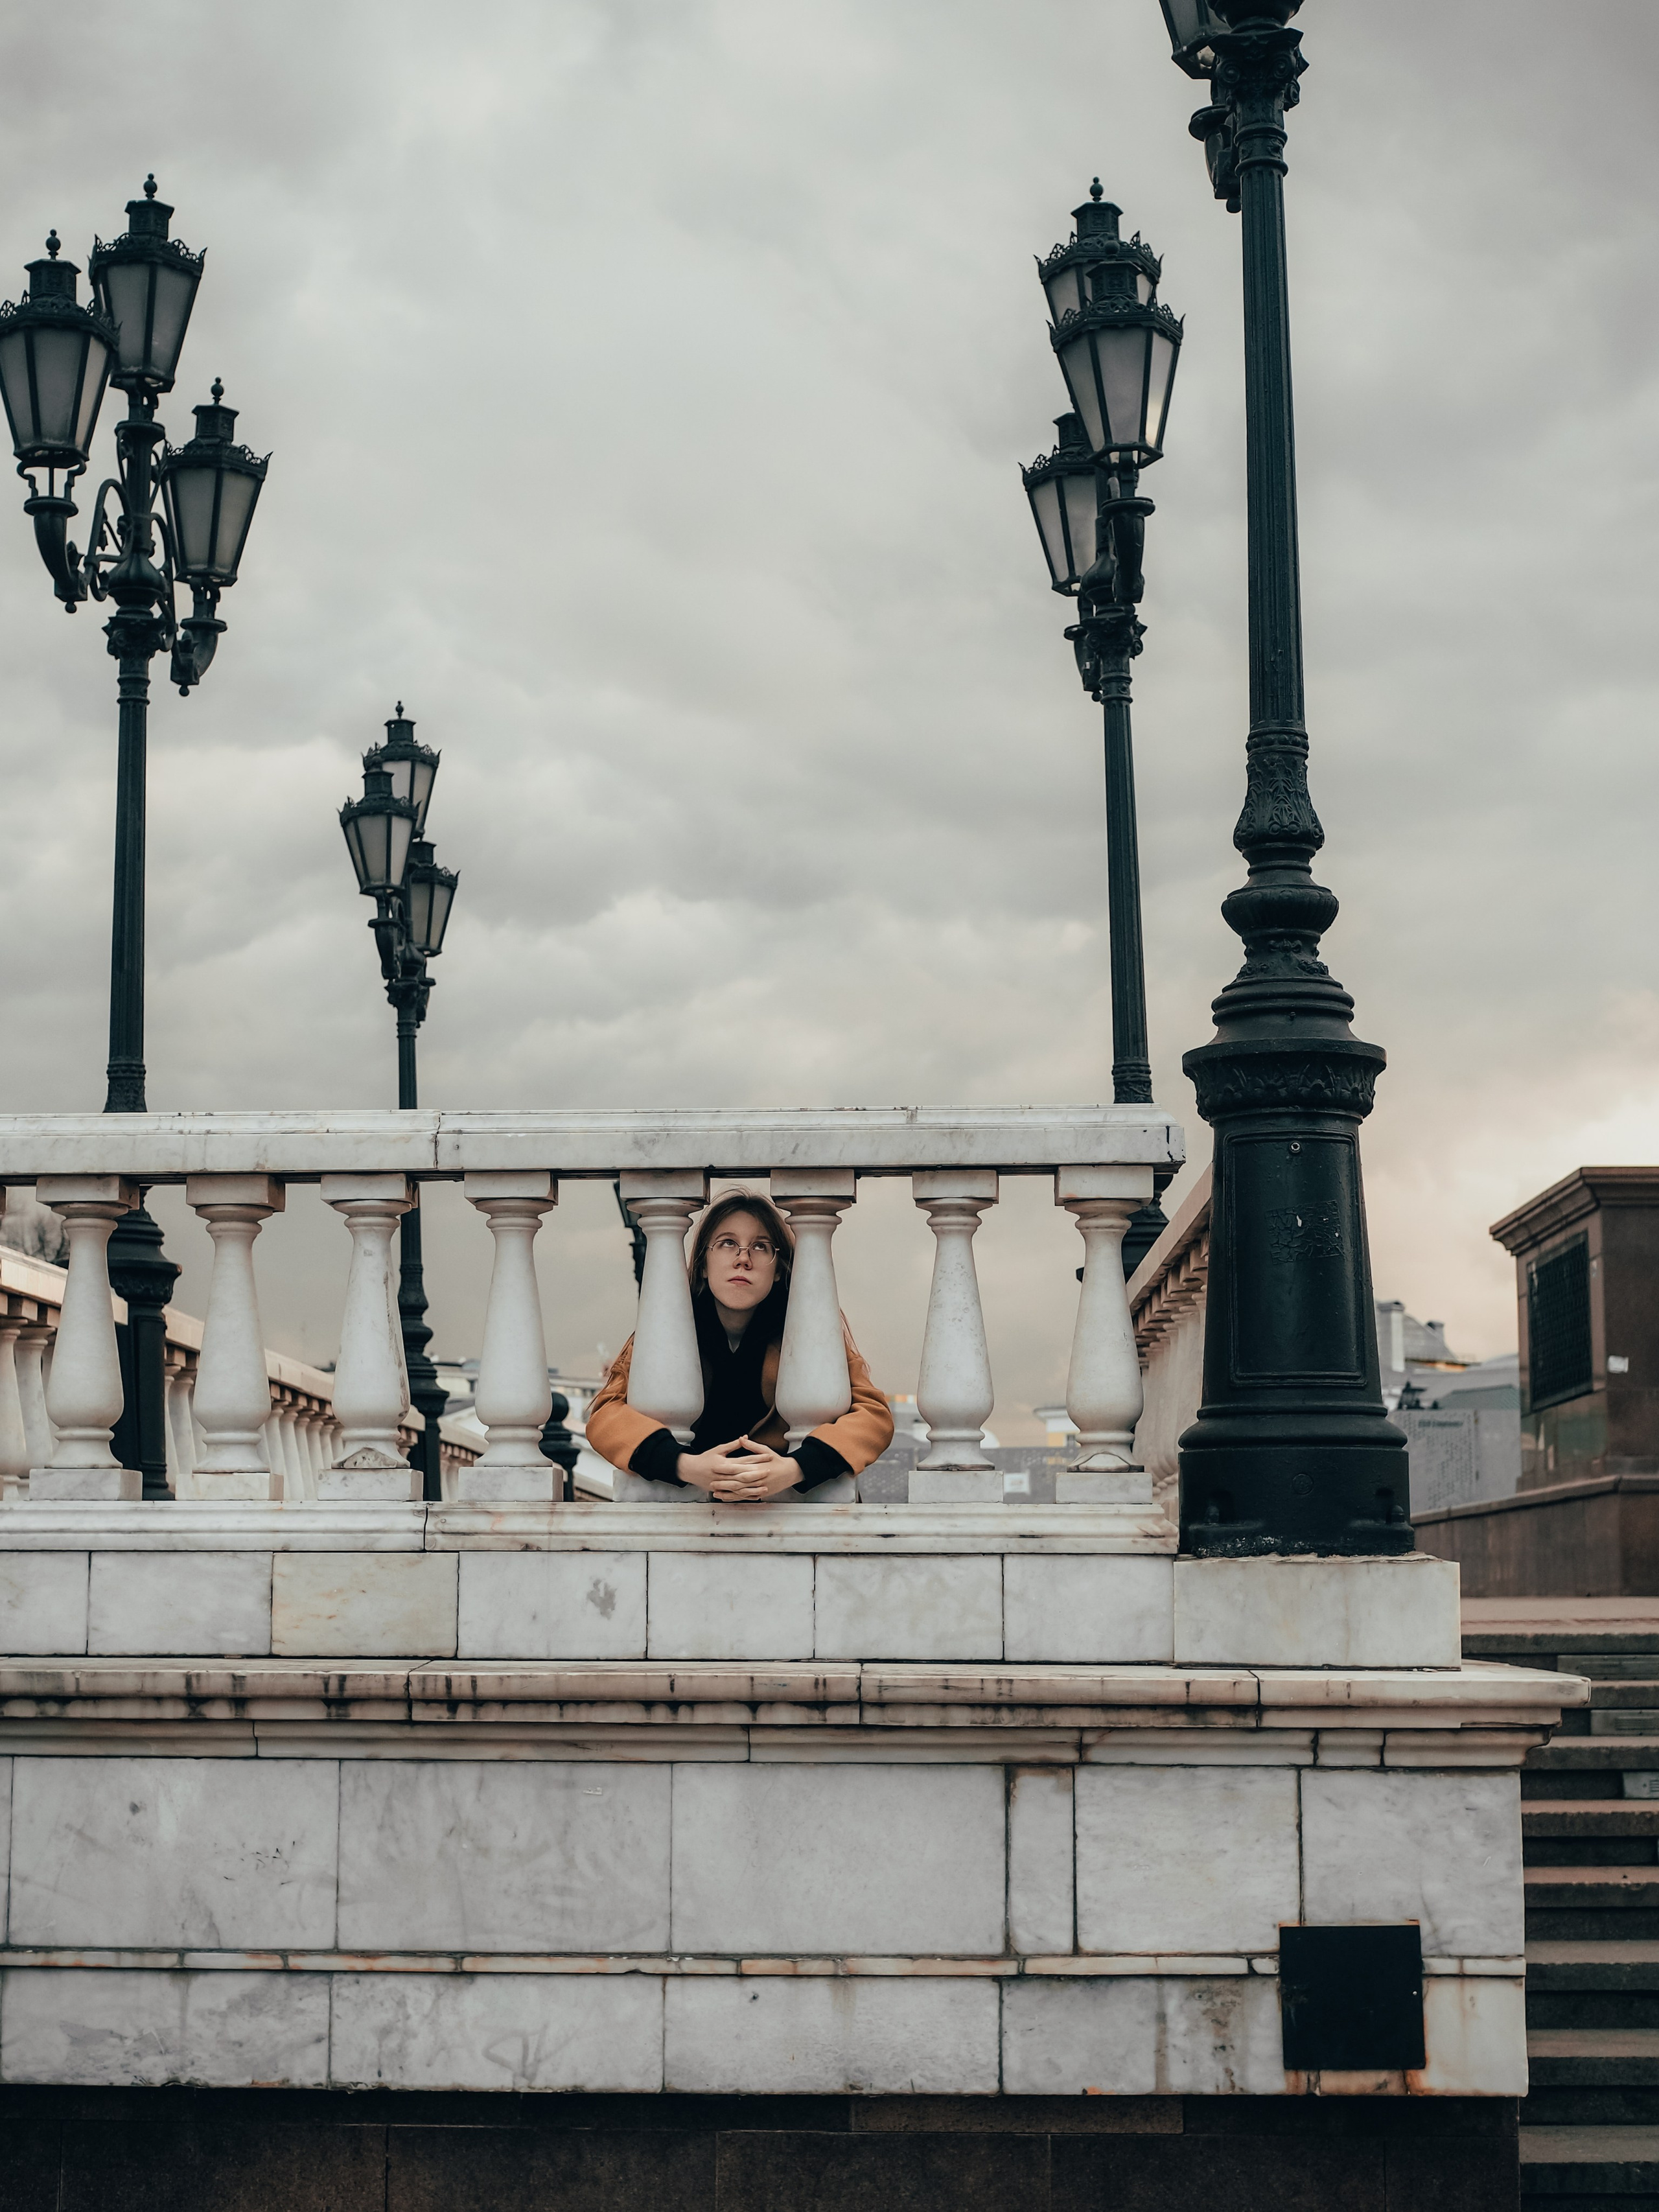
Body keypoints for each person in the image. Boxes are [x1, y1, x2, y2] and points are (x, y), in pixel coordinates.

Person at [585, 1189, 892, 1501]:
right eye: (727, 1243)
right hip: (689, 1514)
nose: (743, 1259)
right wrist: (685, 1466)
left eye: (760, 1246)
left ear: (778, 1271)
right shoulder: (667, 1331)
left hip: (784, 1514)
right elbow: (605, 1418)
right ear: (704, 1265)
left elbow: (873, 1418)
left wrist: (793, 1470)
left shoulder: (810, 1332)